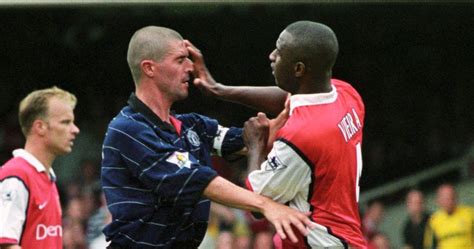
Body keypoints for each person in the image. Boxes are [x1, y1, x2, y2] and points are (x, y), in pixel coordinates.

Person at [100, 26, 314, 249]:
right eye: (181, 59)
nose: (191, 67)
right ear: (149, 68)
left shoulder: (193, 126)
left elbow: (258, 140)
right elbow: (200, 181)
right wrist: (266, 205)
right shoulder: (128, 129)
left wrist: (295, 102)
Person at [188, 20, 367, 248]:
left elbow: (258, 201)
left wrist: (256, 145)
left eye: (280, 52)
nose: (271, 56)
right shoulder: (346, 94)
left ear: (299, 69)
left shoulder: (303, 136)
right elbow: (289, 97)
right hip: (347, 237)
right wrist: (219, 89)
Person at [0, 86, 80, 249]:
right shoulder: (16, 175)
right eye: (65, 122)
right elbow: (5, 244)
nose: (75, 130)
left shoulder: (46, 177)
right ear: (40, 127)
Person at [424, 183, 474, 249]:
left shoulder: (470, 213)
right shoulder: (433, 220)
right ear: (438, 201)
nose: (448, 201)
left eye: (451, 197)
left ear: (456, 198)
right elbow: (429, 246)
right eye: (444, 198)